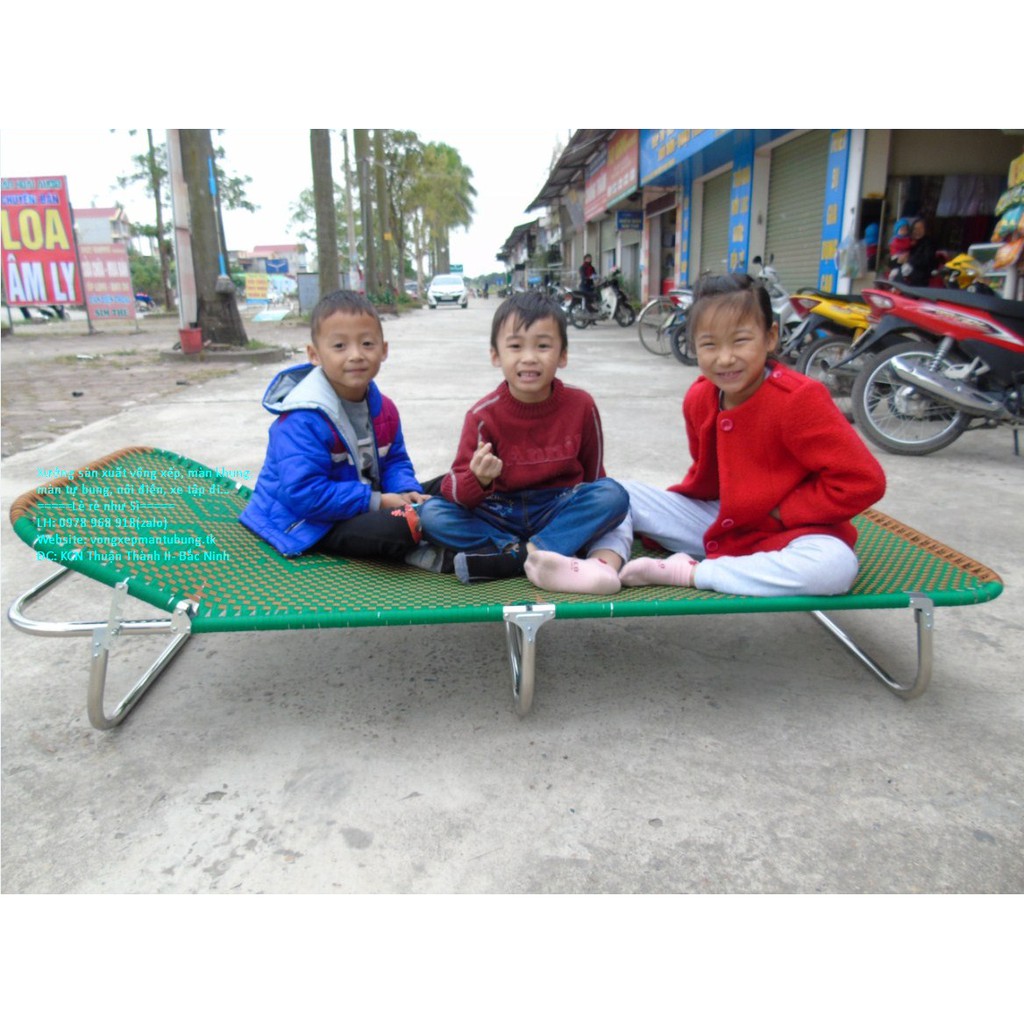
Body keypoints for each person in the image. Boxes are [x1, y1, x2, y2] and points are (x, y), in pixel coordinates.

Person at [566, 272, 886, 598]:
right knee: (616, 493)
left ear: (770, 337)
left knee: (834, 568)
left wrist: (784, 510)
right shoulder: (699, 397)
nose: (725, 358)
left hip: (792, 530)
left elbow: (863, 481)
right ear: (693, 346)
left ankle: (691, 572)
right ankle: (602, 565)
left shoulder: (799, 398)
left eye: (740, 340)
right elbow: (707, 478)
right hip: (725, 519)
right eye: (709, 344)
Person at [417, 290, 629, 592]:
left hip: (557, 507)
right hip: (499, 512)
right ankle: (528, 552)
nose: (529, 358)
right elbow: (454, 491)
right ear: (496, 355)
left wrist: (589, 514)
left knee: (613, 495)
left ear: (563, 355)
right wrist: (478, 479)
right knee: (432, 515)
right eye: (515, 346)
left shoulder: (581, 405)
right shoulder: (482, 415)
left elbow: (595, 477)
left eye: (543, 346)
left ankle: (519, 556)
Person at [239, 289, 431, 562]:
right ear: (314, 354)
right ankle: (430, 548)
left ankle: (426, 523)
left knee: (446, 488)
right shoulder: (302, 418)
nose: (356, 355)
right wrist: (376, 502)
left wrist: (405, 490)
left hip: (360, 500)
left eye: (367, 343)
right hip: (307, 520)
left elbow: (395, 460)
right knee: (399, 527)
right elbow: (304, 494)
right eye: (340, 346)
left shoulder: (385, 409)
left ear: (384, 350)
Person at [899, 217, 938, 287]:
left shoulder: (929, 243)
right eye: (915, 228)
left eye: (920, 228)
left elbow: (927, 260)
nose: (917, 231)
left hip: (922, 276)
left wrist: (909, 259)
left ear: (926, 230)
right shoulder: (910, 242)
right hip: (908, 272)